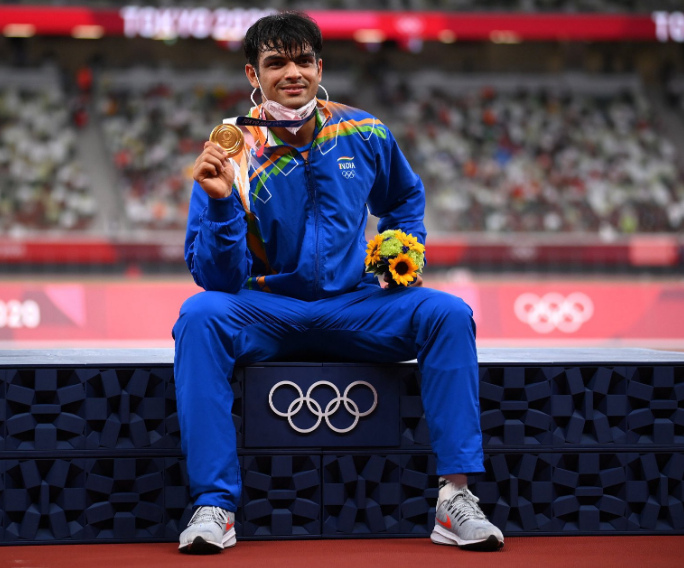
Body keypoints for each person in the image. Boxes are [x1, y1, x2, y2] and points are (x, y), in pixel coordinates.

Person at [173, 11, 504, 554]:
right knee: (199, 316)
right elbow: (216, 279)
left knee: (447, 313)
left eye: (303, 60)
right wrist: (217, 203)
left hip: (356, 305)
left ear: (320, 66)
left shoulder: (365, 131)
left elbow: (403, 199)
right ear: (253, 75)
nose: (292, 73)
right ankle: (216, 505)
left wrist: (400, 247)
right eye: (276, 63)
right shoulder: (231, 150)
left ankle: (455, 497)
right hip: (267, 308)